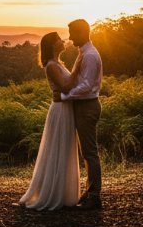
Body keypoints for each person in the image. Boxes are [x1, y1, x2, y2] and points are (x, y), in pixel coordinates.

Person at [16, 31, 80, 210]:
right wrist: (78, 67)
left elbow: (66, 88)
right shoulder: (52, 65)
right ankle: (52, 193)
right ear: (53, 45)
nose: (63, 41)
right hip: (60, 110)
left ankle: (63, 191)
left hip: (65, 108)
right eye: (59, 39)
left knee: (64, 149)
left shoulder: (58, 63)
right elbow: (66, 86)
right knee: (58, 149)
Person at [59, 19, 103, 210]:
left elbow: (85, 86)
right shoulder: (84, 53)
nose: (69, 37)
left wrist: (64, 96)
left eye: (72, 33)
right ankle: (90, 192)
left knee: (90, 152)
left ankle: (94, 196)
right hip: (82, 106)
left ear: (82, 33)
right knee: (86, 152)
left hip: (87, 106)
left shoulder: (91, 56)